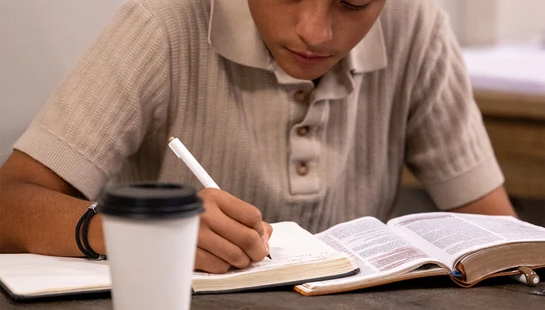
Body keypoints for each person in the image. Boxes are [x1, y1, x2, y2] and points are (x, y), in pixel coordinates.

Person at [0, 0, 517, 274]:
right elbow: (9, 203)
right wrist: (138, 230)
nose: (316, 31)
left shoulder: (415, 26)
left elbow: (498, 234)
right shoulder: (163, 25)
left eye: (354, 1)